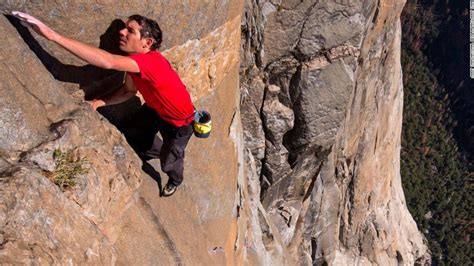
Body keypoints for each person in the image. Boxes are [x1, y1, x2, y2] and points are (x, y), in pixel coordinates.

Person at [12, 11, 195, 197]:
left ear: (147, 43)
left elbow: (107, 62)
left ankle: (175, 179)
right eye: (124, 27)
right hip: (155, 108)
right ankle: (157, 150)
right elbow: (128, 91)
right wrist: (98, 102)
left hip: (178, 122)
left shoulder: (150, 63)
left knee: (169, 161)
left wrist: (52, 35)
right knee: (135, 134)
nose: (122, 32)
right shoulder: (135, 63)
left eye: (130, 30)